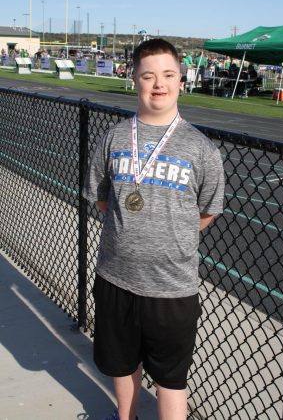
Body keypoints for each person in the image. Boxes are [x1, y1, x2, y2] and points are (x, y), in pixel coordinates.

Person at [83, 38, 225, 420]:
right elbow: (101, 198)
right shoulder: (113, 137)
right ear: (134, 79)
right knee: (121, 363)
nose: (158, 84)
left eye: (167, 74)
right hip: (116, 277)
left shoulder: (200, 147)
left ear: (182, 79)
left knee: (171, 379)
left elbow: (208, 210)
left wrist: (171, 238)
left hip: (172, 287)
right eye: (148, 75)